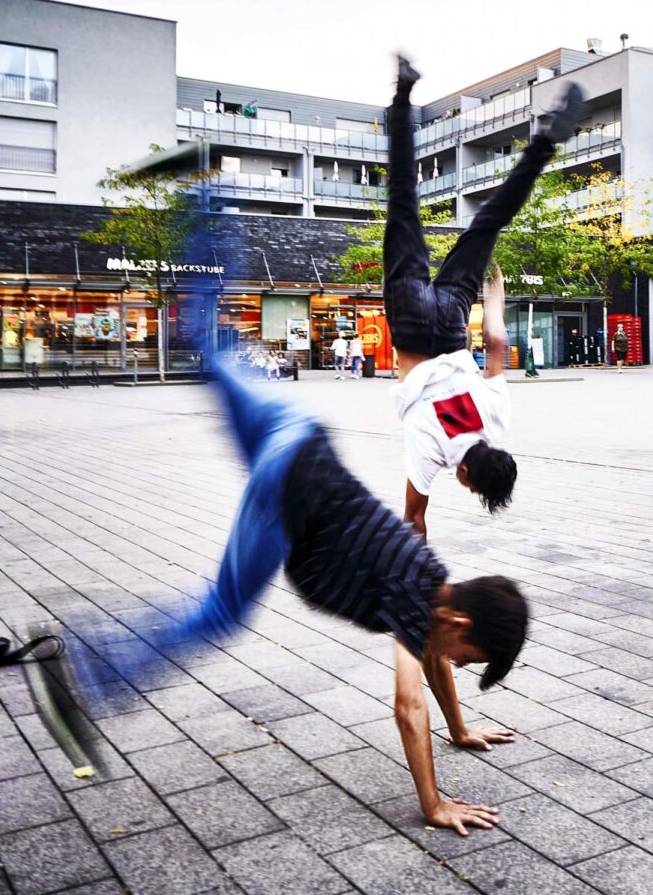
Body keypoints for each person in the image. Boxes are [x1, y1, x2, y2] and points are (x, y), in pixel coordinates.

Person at [94, 353, 531, 836]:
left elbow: (432, 657)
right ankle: (94, 666)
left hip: (296, 432)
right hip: (285, 491)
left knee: (210, 354)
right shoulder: (417, 600)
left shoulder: (436, 590)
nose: (454, 662)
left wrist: (459, 731)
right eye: (465, 657)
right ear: (459, 623)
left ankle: (200, 317)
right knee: (218, 615)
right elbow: (409, 707)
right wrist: (433, 804)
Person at [385, 55, 586, 537]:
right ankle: (401, 95)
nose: (464, 486)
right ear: (469, 473)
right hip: (412, 323)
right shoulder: (430, 450)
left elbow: (496, 347)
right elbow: (414, 520)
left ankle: (545, 142)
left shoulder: (496, 424)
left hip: (454, 322)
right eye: (471, 488)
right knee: (401, 198)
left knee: (490, 219)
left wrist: (493, 298)